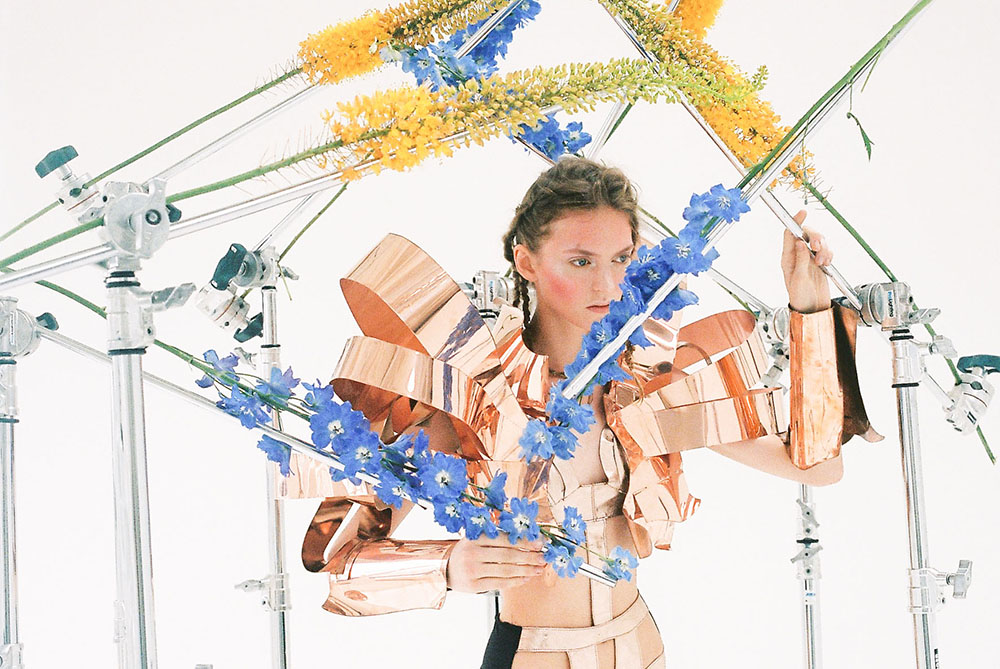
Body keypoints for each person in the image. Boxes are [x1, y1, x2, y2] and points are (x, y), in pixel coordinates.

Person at [292, 156, 875, 669]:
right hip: (534, 655)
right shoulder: (473, 398)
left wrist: (809, 307)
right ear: (526, 261)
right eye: (580, 262)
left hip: (641, 648)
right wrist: (448, 567)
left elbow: (819, 467)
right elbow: (335, 560)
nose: (608, 284)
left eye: (621, 259)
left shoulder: (643, 384)